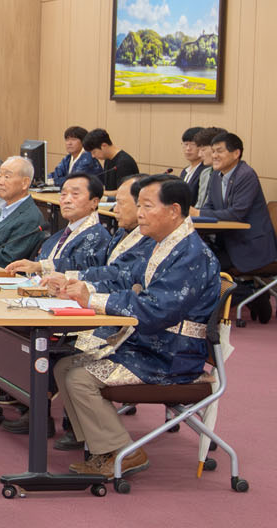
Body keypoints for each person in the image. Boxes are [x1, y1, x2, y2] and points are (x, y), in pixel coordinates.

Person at [47, 177, 220, 478]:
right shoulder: (164, 244)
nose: (139, 213)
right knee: (64, 367)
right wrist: (76, 284)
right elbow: (122, 277)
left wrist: (92, 299)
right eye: (139, 205)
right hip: (149, 345)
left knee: (79, 377)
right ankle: (101, 448)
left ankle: (123, 452)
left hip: (172, 355)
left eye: (147, 206)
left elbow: (155, 310)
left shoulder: (192, 255)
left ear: (174, 210)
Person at [201, 131, 277, 299]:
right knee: (197, 258)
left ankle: (250, 296)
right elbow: (209, 206)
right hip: (228, 243)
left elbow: (236, 214)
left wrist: (199, 213)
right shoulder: (216, 175)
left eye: (219, 151)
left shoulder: (246, 175)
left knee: (204, 264)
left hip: (249, 246)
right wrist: (197, 214)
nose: (214, 156)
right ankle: (248, 296)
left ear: (236, 153)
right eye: (212, 151)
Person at [7, 173, 112, 276]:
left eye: (75, 194)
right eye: (63, 194)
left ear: (94, 202)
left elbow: (82, 270)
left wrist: (40, 266)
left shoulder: (98, 236)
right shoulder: (61, 234)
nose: (67, 200)